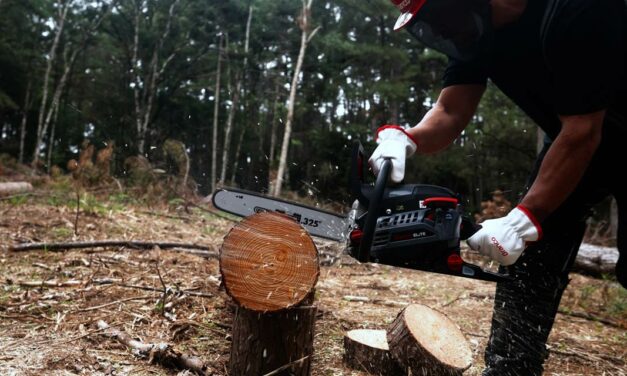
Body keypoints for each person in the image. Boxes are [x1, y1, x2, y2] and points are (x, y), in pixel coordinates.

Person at [369, 0, 626, 374]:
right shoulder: (474, 32)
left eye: (440, 17)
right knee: (531, 257)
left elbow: (583, 131)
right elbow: (450, 111)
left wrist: (524, 218)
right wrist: (407, 139)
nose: (441, 31)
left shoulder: (576, 9)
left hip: (586, 133)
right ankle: (511, 367)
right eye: (429, 23)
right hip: (574, 139)